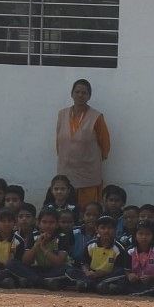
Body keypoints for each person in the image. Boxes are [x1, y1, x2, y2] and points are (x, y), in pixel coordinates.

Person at [56, 78, 112, 209]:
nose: (80, 95)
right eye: (77, 92)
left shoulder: (96, 116)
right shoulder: (62, 114)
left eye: (84, 93)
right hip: (66, 168)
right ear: (72, 94)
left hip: (88, 169)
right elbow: (58, 139)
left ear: (89, 96)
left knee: (87, 208)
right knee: (66, 206)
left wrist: (97, 159)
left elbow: (105, 142)